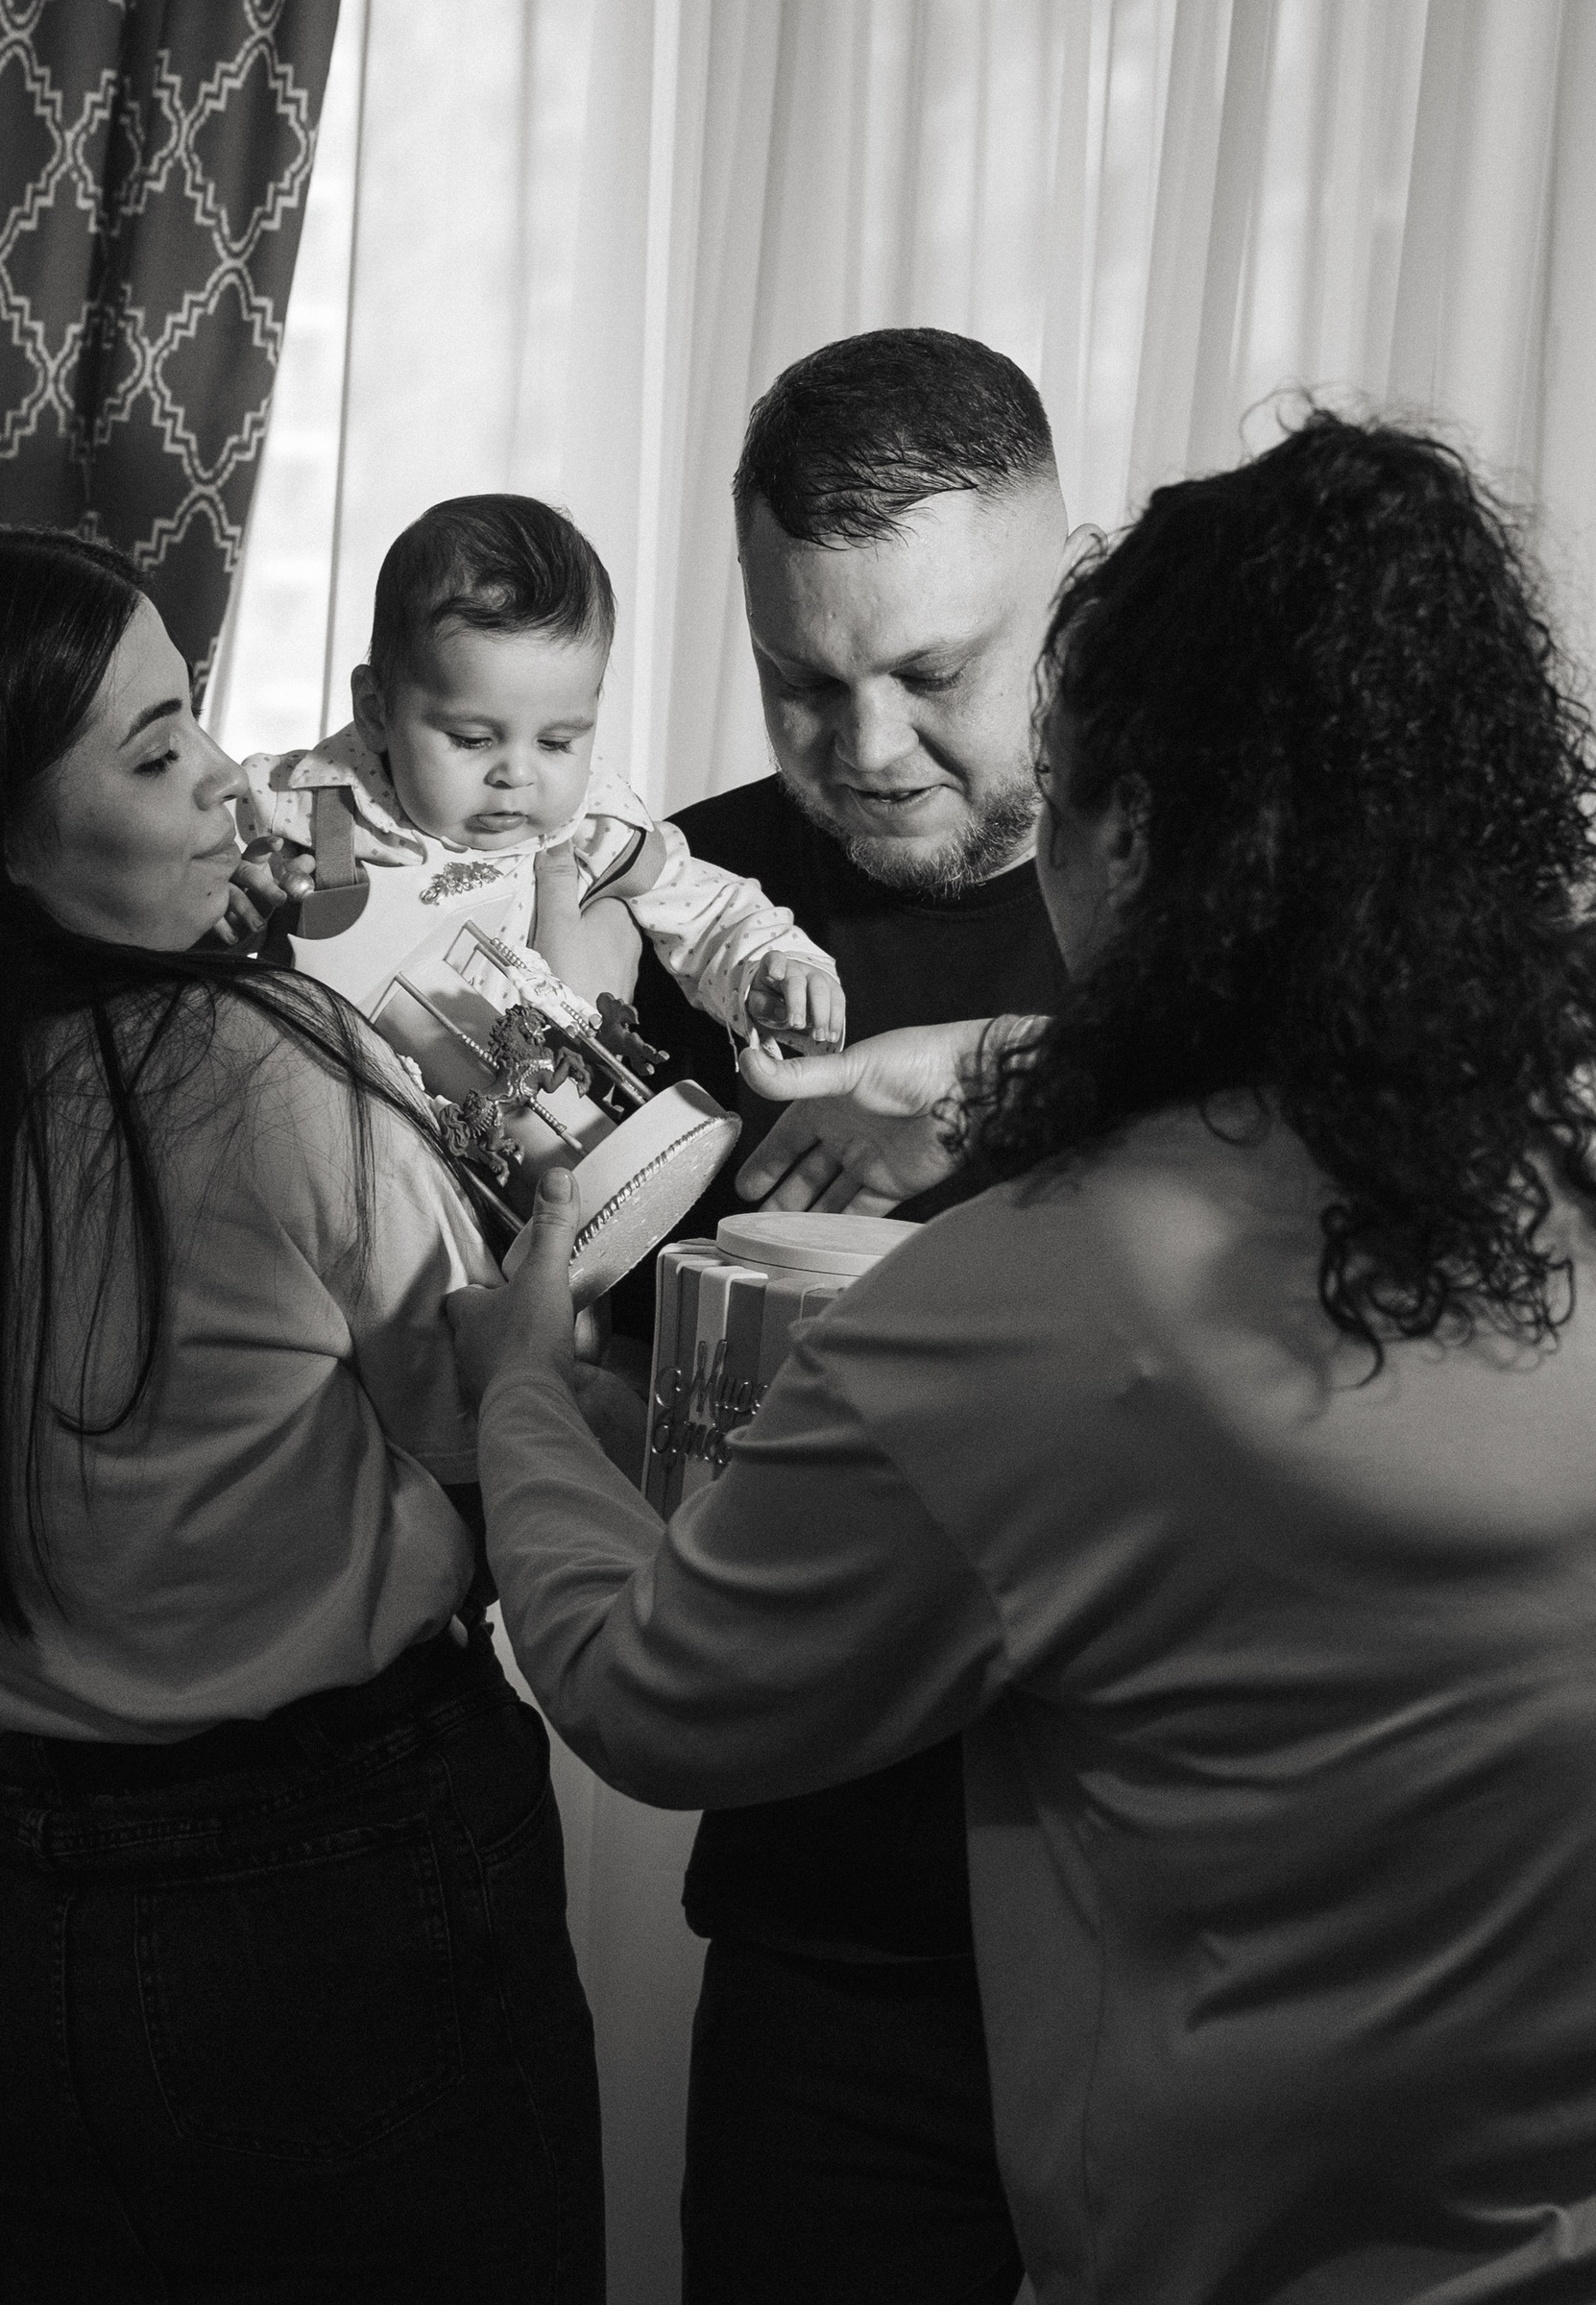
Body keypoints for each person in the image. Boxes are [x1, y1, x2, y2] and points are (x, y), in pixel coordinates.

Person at [447, 411, 1596, 2304]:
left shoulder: (1033, 1291)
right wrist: (979, 1068)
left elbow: (655, 1691)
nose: (874, 743)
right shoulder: (1545, 1141)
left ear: (1123, 828)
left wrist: (515, 1383)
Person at [0, 528, 603, 2303]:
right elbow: (468, 1431)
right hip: (333, 1884)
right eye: (154, 757)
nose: (232, 779)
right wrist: (538, 1335)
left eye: (194, 720)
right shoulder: (261, 1064)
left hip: (8, 1905)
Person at [613, 327, 1090, 2305]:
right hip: (832, 1933)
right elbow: (610, 1380)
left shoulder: (1232, 878)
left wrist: (994, 1097)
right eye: (804, 682)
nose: (870, 747)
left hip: (1197, 1922)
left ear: (1061, 596)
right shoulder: (687, 906)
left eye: (936, 674)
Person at [236, 493, 844, 1050]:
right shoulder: (314, 809)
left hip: (537, 1111)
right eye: (472, 739)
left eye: (557, 742)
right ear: (377, 712)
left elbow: (709, 912)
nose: (517, 775)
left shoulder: (596, 830)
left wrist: (774, 970)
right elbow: (212, 917)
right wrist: (242, 913)